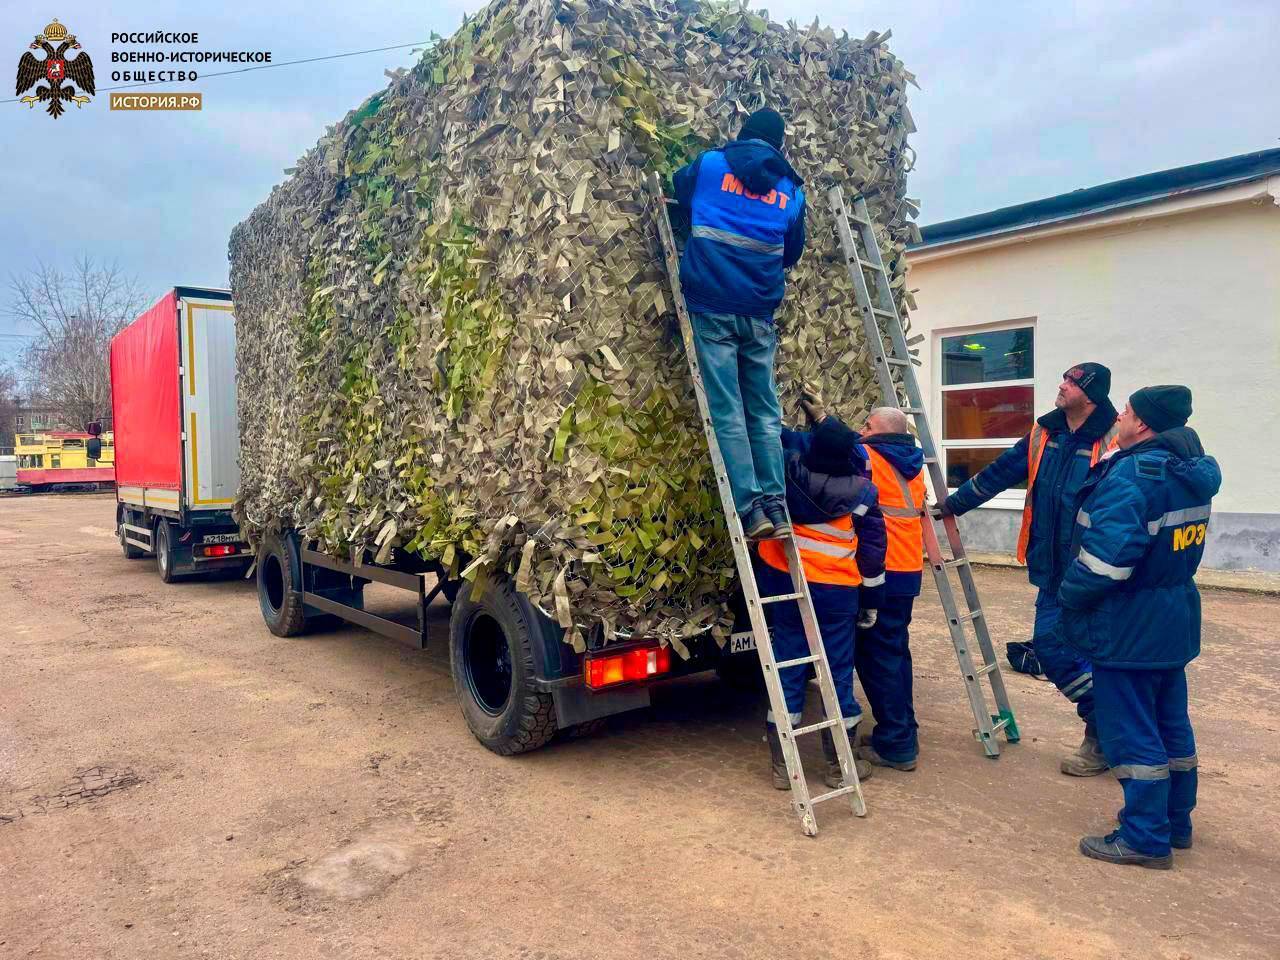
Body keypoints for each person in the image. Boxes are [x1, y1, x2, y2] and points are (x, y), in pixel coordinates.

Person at [1057, 386, 1220, 868]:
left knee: (1131, 731)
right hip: (1173, 617)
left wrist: (1069, 596)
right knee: (1171, 726)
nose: (1120, 417)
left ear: (1143, 424)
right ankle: (1175, 822)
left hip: (1128, 625)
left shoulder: (1133, 475)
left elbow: (1105, 564)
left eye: (1126, 411)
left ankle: (1145, 837)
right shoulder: (1191, 471)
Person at [938, 363, 1118, 776]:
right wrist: (952, 505)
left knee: (1092, 655)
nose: (1062, 385)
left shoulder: (1113, 438)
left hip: (1093, 572)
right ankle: (1111, 726)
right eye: (1064, 378)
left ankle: (1108, 736)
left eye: (1072, 382)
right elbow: (1001, 472)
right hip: (1052, 569)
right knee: (1053, 650)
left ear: (1090, 396)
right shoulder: (1044, 433)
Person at [673, 107, 807, 541]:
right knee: (765, 411)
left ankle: (751, 509)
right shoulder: (791, 190)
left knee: (728, 409)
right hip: (759, 311)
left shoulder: (711, 165)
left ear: (742, 134)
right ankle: (777, 507)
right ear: (779, 147)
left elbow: (680, 188)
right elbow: (792, 253)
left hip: (712, 304)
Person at [755, 413, 886, 789]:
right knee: (838, 672)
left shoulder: (787, 474)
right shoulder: (864, 492)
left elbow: (779, 441)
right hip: (837, 594)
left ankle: (783, 769)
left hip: (789, 586)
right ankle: (838, 767)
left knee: (788, 668)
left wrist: (776, 421)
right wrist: (871, 599)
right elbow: (873, 551)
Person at [853, 407, 927, 772]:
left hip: (880, 572)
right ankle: (902, 732)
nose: (861, 430)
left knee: (877, 658)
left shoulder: (867, 456)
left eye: (867, 426)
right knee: (895, 653)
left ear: (878, 431)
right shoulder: (913, 462)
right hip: (907, 570)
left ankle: (897, 745)